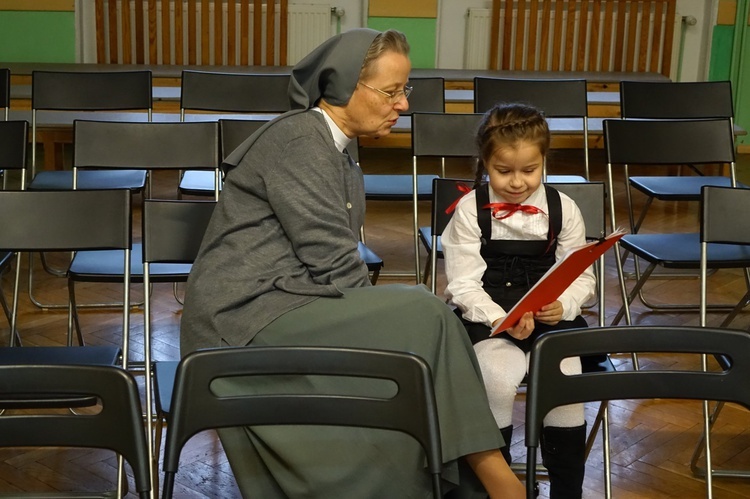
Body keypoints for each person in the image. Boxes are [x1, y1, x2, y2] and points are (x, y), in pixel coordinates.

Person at [181, 28, 524, 498]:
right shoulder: (300, 139)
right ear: (344, 88)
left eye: (405, 90)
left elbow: (332, 265)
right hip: (243, 315)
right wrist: (383, 333)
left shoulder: (339, 152)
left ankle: (460, 477)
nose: (402, 104)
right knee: (424, 314)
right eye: (390, 91)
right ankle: (494, 476)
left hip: (290, 304)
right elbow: (334, 261)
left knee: (416, 331)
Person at [441, 103, 597, 499]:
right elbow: (462, 283)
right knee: (495, 375)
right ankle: (496, 486)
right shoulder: (469, 209)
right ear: (484, 162)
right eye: (503, 170)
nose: (516, 182)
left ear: (544, 160)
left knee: (566, 377)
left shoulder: (565, 209)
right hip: (491, 320)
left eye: (529, 170)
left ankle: (567, 490)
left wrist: (566, 305)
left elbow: (581, 276)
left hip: (551, 322)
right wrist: (503, 317)